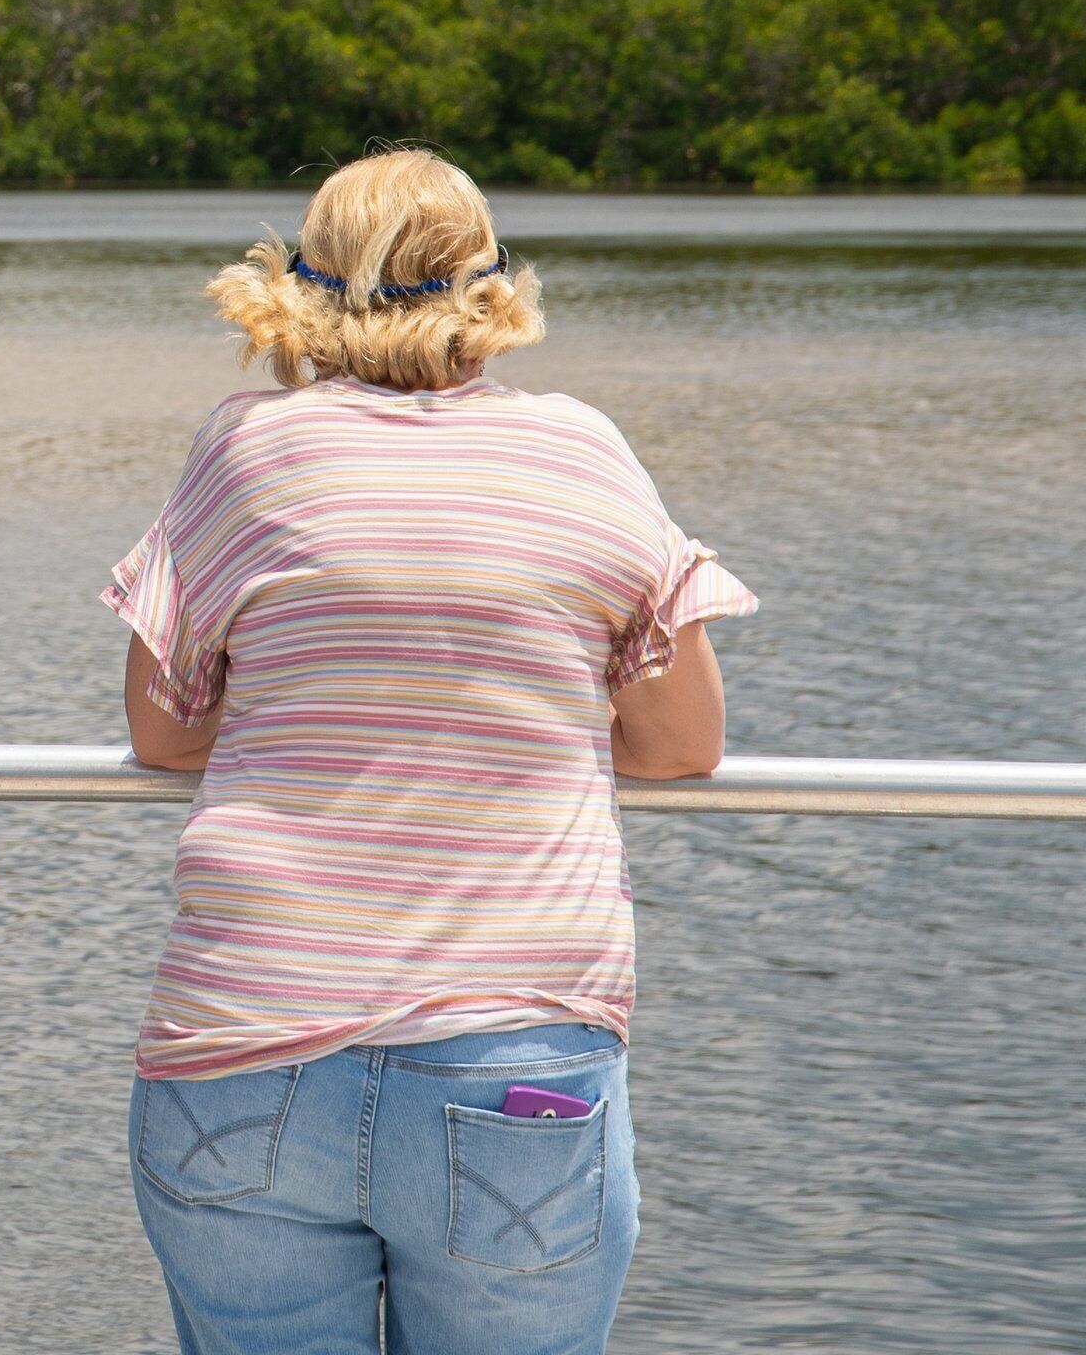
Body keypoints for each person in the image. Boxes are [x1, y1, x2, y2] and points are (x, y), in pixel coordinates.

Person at [105, 149, 747, 1355]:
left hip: (243, 1050)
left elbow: (164, 728)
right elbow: (681, 745)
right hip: (516, 1055)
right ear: (492, 291)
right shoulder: (583, 451)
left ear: (301, 288)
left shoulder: (248, 449)